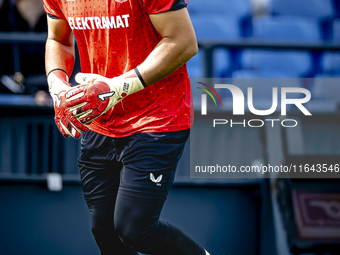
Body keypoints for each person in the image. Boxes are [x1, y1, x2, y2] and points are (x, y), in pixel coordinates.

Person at [43, 0, 211, 254]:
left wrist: (121, 86)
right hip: (101, 120)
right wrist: (57, 86)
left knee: (136, 229)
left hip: (157, 117)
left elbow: (183, 42)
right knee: (105, 233)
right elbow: (58, 39)